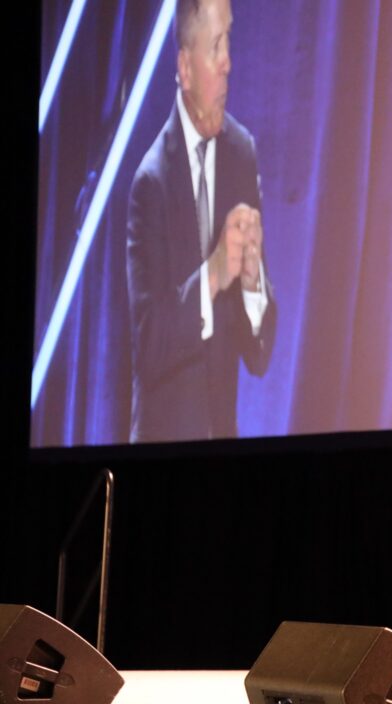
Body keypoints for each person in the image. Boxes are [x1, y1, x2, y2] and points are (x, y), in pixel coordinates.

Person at [127, 0, 276, 442]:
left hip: (224, 445)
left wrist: (252, 284)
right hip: (161, 449)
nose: (229, 61)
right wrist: (213, 274)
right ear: (185, 67)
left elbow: (259, 356)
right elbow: (149, 345)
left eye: (229, 37)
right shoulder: (150, 182)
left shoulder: (240, 150)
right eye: (215, 45)